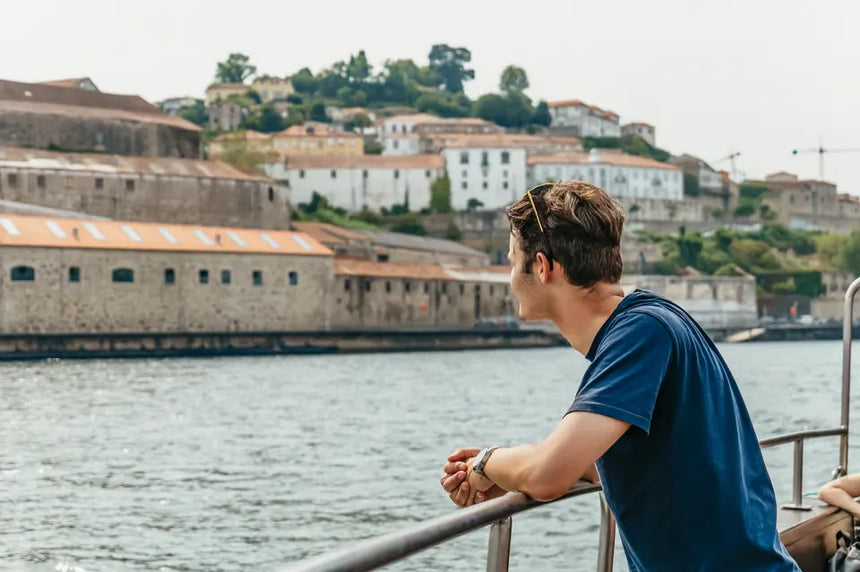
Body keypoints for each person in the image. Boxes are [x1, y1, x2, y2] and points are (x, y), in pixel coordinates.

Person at [439, 181, 800, 571]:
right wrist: (512, 473)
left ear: (542, 267)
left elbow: (548, 474)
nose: (511, 277)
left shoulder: (641, 333)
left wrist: (487, 462)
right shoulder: (654, 321)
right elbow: (639, 460)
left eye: (512, 261)